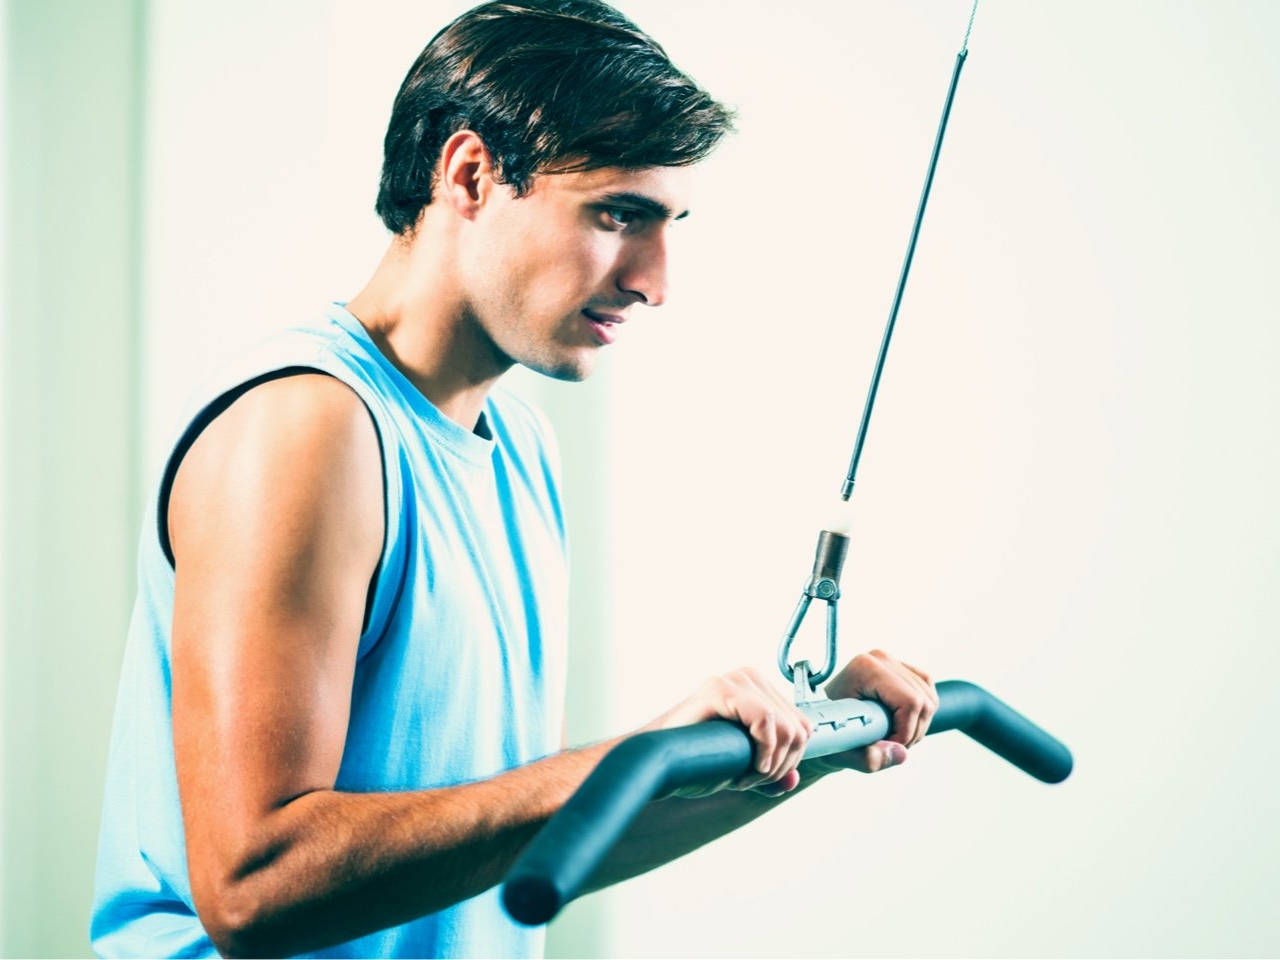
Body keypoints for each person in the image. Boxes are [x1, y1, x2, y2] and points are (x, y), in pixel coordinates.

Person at [90, 1, 939, 956]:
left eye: (670, 225)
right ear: (469, 174)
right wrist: (634, 754)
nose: (656, 282)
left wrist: (807, 745)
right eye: (620, 216)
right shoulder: (310, 428)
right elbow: (253, 888)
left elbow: (518, 836)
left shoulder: (521, 447)